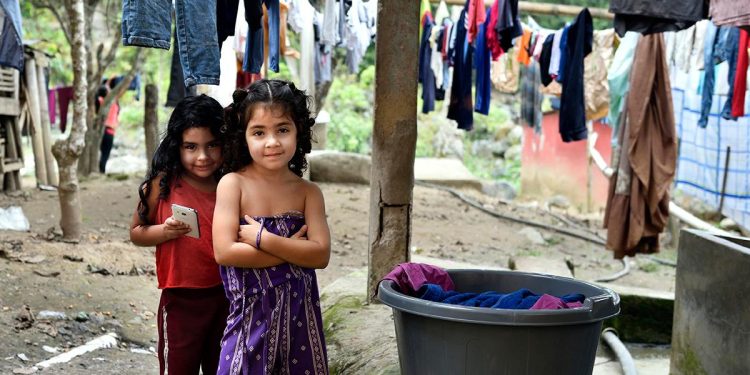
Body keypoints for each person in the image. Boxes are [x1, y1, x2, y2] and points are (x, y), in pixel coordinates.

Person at [213, 79, 331, 375]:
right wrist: (295, 251)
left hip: (300, 322)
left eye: (282, 129)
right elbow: (225, 252)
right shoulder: (233, 185)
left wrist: (262, 239)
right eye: (259, 132)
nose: (272, 142)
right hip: (247, 321)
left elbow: (320, 256)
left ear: (298, 132)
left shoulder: (308, 193)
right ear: (244, 137)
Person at [129, 95, 229, 375]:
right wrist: (164, 231)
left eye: (212, 145)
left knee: (221, 367)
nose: (202, 156)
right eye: (191, 147)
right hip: (180, 299)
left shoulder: (231, 184)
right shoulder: (162, 184)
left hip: (227, 296)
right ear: (177, 146)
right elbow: (136, 232)